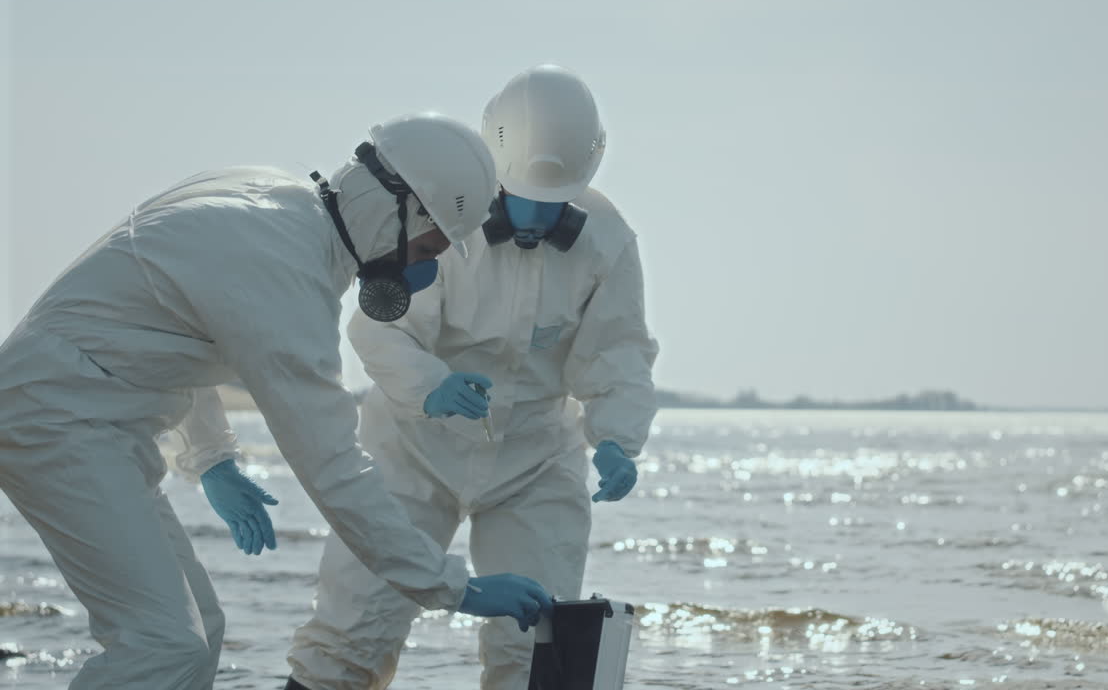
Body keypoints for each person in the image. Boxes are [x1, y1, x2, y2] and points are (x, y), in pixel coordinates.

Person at [0, 111, 555, 690]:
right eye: (429, 245)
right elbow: (334, 468)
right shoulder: (287, 277)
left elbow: (172, 329)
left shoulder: (271, 202)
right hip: (57, 421)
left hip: (91, 418)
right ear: (399, 207)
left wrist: (211, 457)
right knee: (163, 645)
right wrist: (451, 587)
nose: (423, 266)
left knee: (201, 632)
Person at [286, 65, 659, 690]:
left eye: (555, 198)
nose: (540, 213)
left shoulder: (610, 240)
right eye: (527, 196)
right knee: (354, 633)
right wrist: (429, 383)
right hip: (410, 450)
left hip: (535, 461)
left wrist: (619, 438)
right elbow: (379, 325)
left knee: (535, 646)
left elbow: (618, 352)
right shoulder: (439, 215)